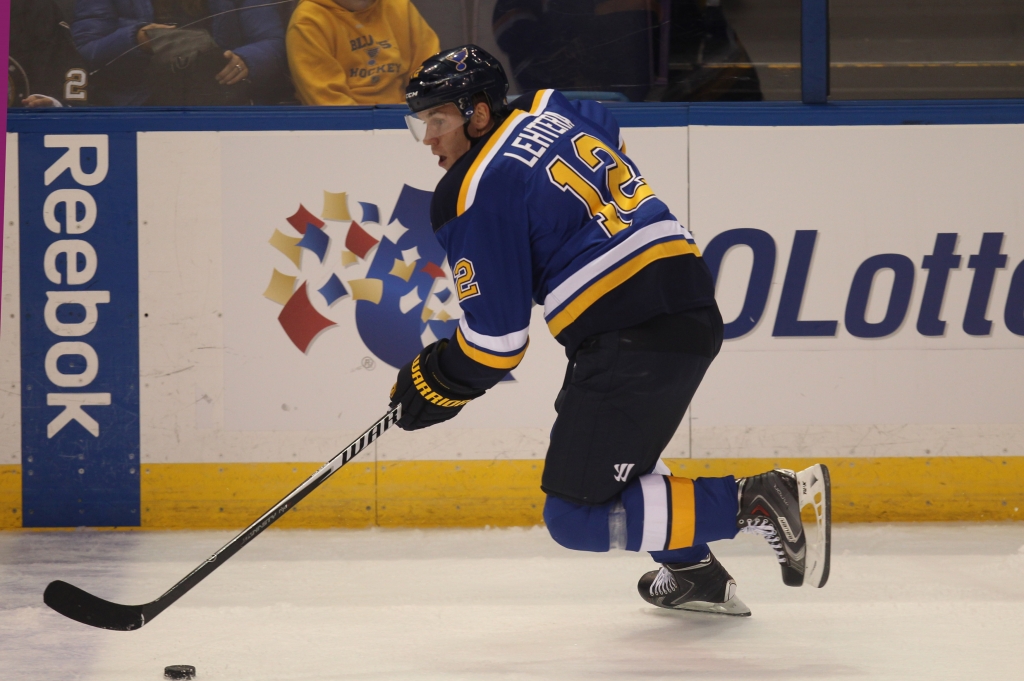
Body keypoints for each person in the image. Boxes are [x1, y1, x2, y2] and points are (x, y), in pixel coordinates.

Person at [388, 45, 831, 615]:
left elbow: (497, 345)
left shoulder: (471, 193)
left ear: (477, 114)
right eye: (422, 124)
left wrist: (435, 381)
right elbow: (609, 142)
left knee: (576, 515)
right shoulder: (553, 106)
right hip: (687, 304)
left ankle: (761, 500)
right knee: (623, 460)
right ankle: (693, 572)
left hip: (630, 335)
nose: (429, 139)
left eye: (439, 120)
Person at [72, 0, 289, 106]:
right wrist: (136, 40)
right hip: (136, 111)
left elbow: (273, 42)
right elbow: (85, 52)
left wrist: (247, 60)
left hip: (224, 103)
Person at [285, 0, 438, 106]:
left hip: (407, 119)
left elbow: (432, 76)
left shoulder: (399, 7)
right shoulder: (307, 22)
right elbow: (328, 102)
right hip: (344, 129)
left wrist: (412, 115)